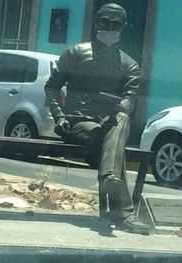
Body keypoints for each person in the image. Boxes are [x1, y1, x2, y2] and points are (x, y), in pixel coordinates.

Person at [44, 3, 150, 234]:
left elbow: (128, 105)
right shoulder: (75, 53)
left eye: (115, 24)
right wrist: (59, 115)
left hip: (110, 123)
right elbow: (52, 87)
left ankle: (110, 175)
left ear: (123, 27)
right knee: (112, 140)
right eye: (105, 22)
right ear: (96, 23)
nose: (110, 27)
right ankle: (124, 211)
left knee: (120, 120)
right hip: (78, 122)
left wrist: (110, 102)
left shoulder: (129, 65)